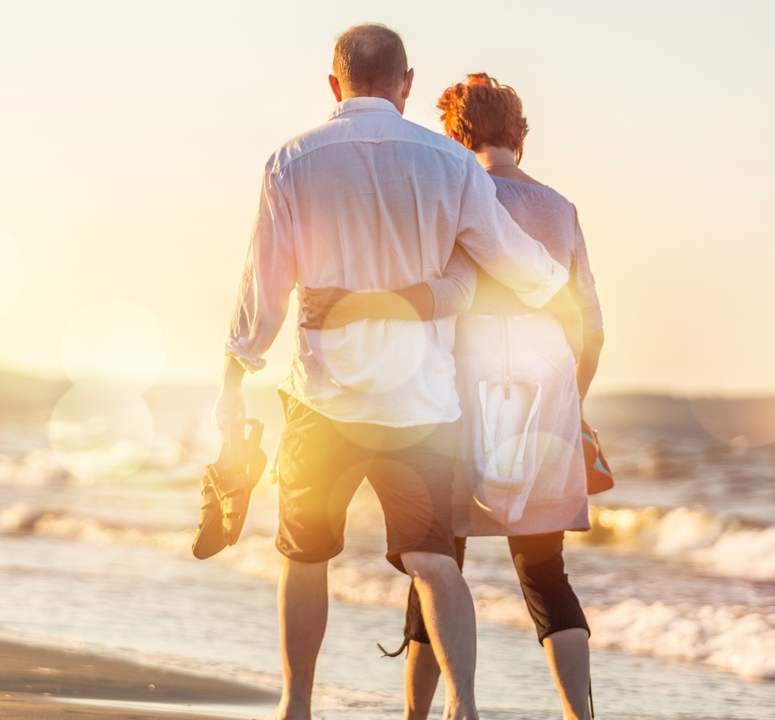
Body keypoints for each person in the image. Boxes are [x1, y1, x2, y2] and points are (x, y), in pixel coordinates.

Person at [213, 27, 569, 720]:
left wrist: (235, 374)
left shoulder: (290, 161)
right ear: (406, 85)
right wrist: (558, 283)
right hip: (422, 405)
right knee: (434, 561)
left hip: (323, 399)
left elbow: (265, 288)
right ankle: (463, 707)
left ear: (333, 85)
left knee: (304, 554)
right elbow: (519, 266)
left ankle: (297, 706)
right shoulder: (452, 165)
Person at [301, 74, 604, 720]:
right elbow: (591, 330)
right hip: (546, 384)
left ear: (455, 133)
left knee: (438, 559)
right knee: (545, 573)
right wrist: (572, 406)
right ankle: (582, 716)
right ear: (518, 131)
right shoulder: (561, 209)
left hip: (460, 383)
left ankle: (421, 715)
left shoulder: (452, 190)